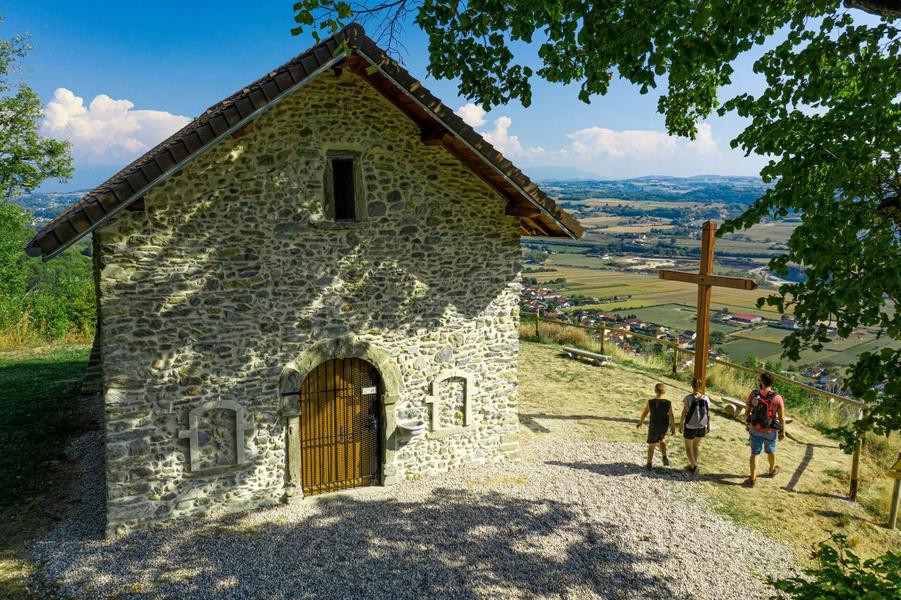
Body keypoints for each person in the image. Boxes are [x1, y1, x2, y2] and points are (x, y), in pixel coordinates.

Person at [743, 372, 786, 487]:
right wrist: (783, 431)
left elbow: (746, 412)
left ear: (761, 382)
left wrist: (747, 423)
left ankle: (752, 478)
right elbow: (781, 418)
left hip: (755, 428)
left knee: (755, 453)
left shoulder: (753, 394)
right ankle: (772, 470)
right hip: (770, 430)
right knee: (771, 451)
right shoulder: (777, 398)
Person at [636, 383, 676, 469]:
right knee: (662, 439)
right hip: (663, 425)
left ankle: (649, 464)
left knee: (652, 444)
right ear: (664, 392)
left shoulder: (651, 402)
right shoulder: (668, 403)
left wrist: (640, 421)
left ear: (655, 391)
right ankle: (664, 456)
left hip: (654, 425)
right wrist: (673, 426)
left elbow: (645, 412)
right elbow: (671, 415)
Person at [679, 377, 711, 474]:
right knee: (695, 446)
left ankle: (695, 466)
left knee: (689, 448)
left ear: (692, 386)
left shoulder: (688, 398)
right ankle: (692, 464)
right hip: (701, 426)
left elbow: (684, 412)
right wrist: (708, 426)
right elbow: (708, 413)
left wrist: (681, 424)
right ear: (701, 386)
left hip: (690, 426)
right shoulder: (706, 398)